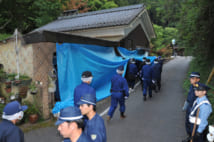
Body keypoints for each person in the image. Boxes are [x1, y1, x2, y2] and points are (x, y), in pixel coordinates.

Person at [182, 72, 201, 142]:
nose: (191, 80)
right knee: (187, 123)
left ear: (198, 79)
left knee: (193, 125)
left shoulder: (199, 89)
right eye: (191, 78)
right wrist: (186, 105)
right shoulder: (191, 86)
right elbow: (189, 97)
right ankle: (190, 137)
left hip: (195, 109)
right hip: (189, 107)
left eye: (193, 78)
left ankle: (193, 139)